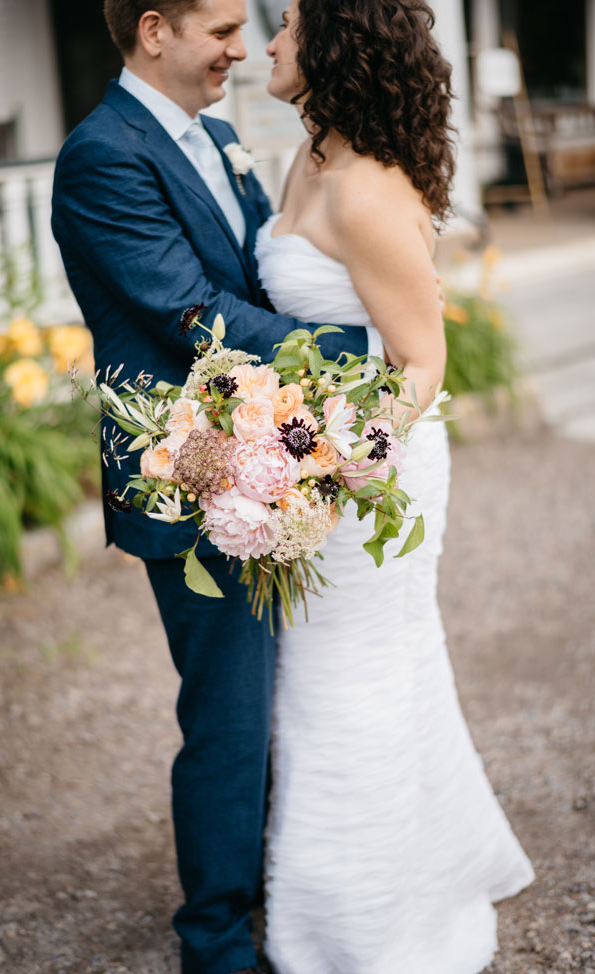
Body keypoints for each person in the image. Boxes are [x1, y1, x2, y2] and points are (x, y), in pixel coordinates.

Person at [51, 2, 377, 971]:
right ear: (154, 30)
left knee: (284, 696)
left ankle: (283, 882)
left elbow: (262, 281)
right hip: (185, 470)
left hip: (270, 449)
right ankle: (216, 938)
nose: (243, 47)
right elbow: (186, 310)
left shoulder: (223, 135)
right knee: (228, 716)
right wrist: (356, 349)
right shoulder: (101, 153)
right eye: (223, 27)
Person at [256, 1, 533, 970]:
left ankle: (363, 929)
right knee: (355, 673)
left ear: (331, 46)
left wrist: (337, 455)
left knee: (347, 683)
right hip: (311, 456)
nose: (267, 45)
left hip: (371, 470)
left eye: (285, 25)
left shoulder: (364, 190)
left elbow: (421, 361)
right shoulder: (311, 156)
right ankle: (419, 863)